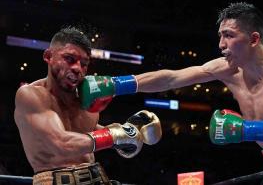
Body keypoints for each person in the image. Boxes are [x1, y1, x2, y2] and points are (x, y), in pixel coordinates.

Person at [132, 2, 263, 184]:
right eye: (220, 36)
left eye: (229, 35)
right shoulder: (226, 69)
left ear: (254, 39)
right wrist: (120, 84)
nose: (221, 44)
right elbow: (171, 78)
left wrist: (244, 129)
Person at [14, 27, 162, 185]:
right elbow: (61, 142)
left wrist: (131, 133)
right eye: (69, 59)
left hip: (98, 178)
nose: (77, 68)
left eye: (84, 64)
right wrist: (114, 135)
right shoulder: (31, 95)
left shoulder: (86, 97)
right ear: (49, 56)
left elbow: (168, 79)